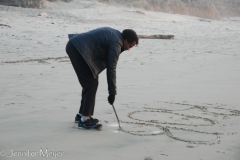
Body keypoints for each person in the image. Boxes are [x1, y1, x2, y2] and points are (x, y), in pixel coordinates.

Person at [65, 27, 138, 129]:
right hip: (77, 49)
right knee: (91, 83)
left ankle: (82, 115)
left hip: (76, 46)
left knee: (90, 82)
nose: (129, 49)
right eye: (129, 46)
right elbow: (111, 69)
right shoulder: (117, 44)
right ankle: (84, 120)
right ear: (125, 40)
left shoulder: (116, 36)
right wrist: (112, 92)